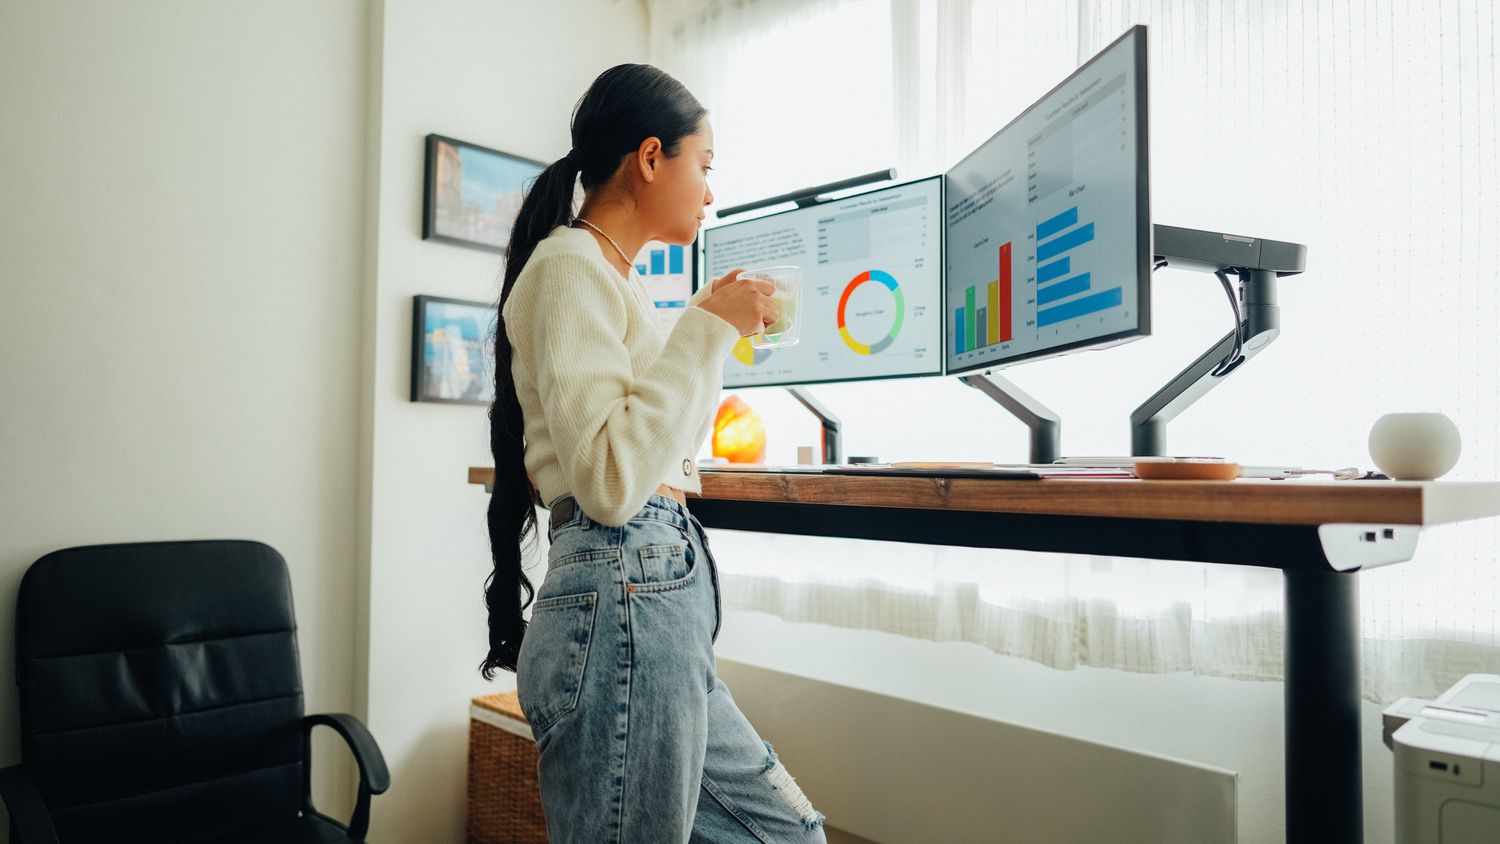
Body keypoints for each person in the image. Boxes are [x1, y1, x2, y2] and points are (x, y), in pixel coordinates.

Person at [480, 63, 828, 843]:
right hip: (624, 585)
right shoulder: (569, 266)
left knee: (789, 833)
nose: (710, 193)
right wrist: (705, 330)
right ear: (648, 158)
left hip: (650, 595)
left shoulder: (615, 280)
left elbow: (647, 449)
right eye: (703, 166)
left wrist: (702, 326)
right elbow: (610, 482)